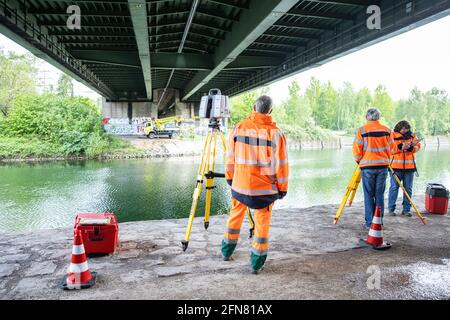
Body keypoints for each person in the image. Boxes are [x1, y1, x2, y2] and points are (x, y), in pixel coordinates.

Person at [222, 95, 289, 274]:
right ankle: (256, 264)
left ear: (253, 107)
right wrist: (282, 189)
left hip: (240, 185)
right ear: (271, 111)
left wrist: (230, 178)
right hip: (264, 191)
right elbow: (281, 165)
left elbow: (230, 157)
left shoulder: (239, 128)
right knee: (261, 225)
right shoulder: (276, 134)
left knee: (234, 217)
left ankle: (226, 253)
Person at [353, 108, 394, 230]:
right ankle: (379, 222)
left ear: (367, 117)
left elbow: (356, 150)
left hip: (367, 167)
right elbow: (392, 148)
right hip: (382, 166)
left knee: (369, 195)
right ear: (379, 117)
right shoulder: (387, 130)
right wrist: (386, 159)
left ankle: (370, 223)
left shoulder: (362, 130)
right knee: (379, 194)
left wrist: (359, 161)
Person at [388, 120, 421, 217]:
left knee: (408, 189)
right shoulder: (392, 135)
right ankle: (391, 209)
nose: (405, 131)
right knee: (394, 188)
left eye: (407, 129)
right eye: (403, 129)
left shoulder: (412, 135)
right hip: (395, 168)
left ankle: (406, 209)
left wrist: (412, 148)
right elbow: (389, 149)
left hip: (409, 168)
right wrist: (400, 147)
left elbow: (418, 147)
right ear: (399, 128)